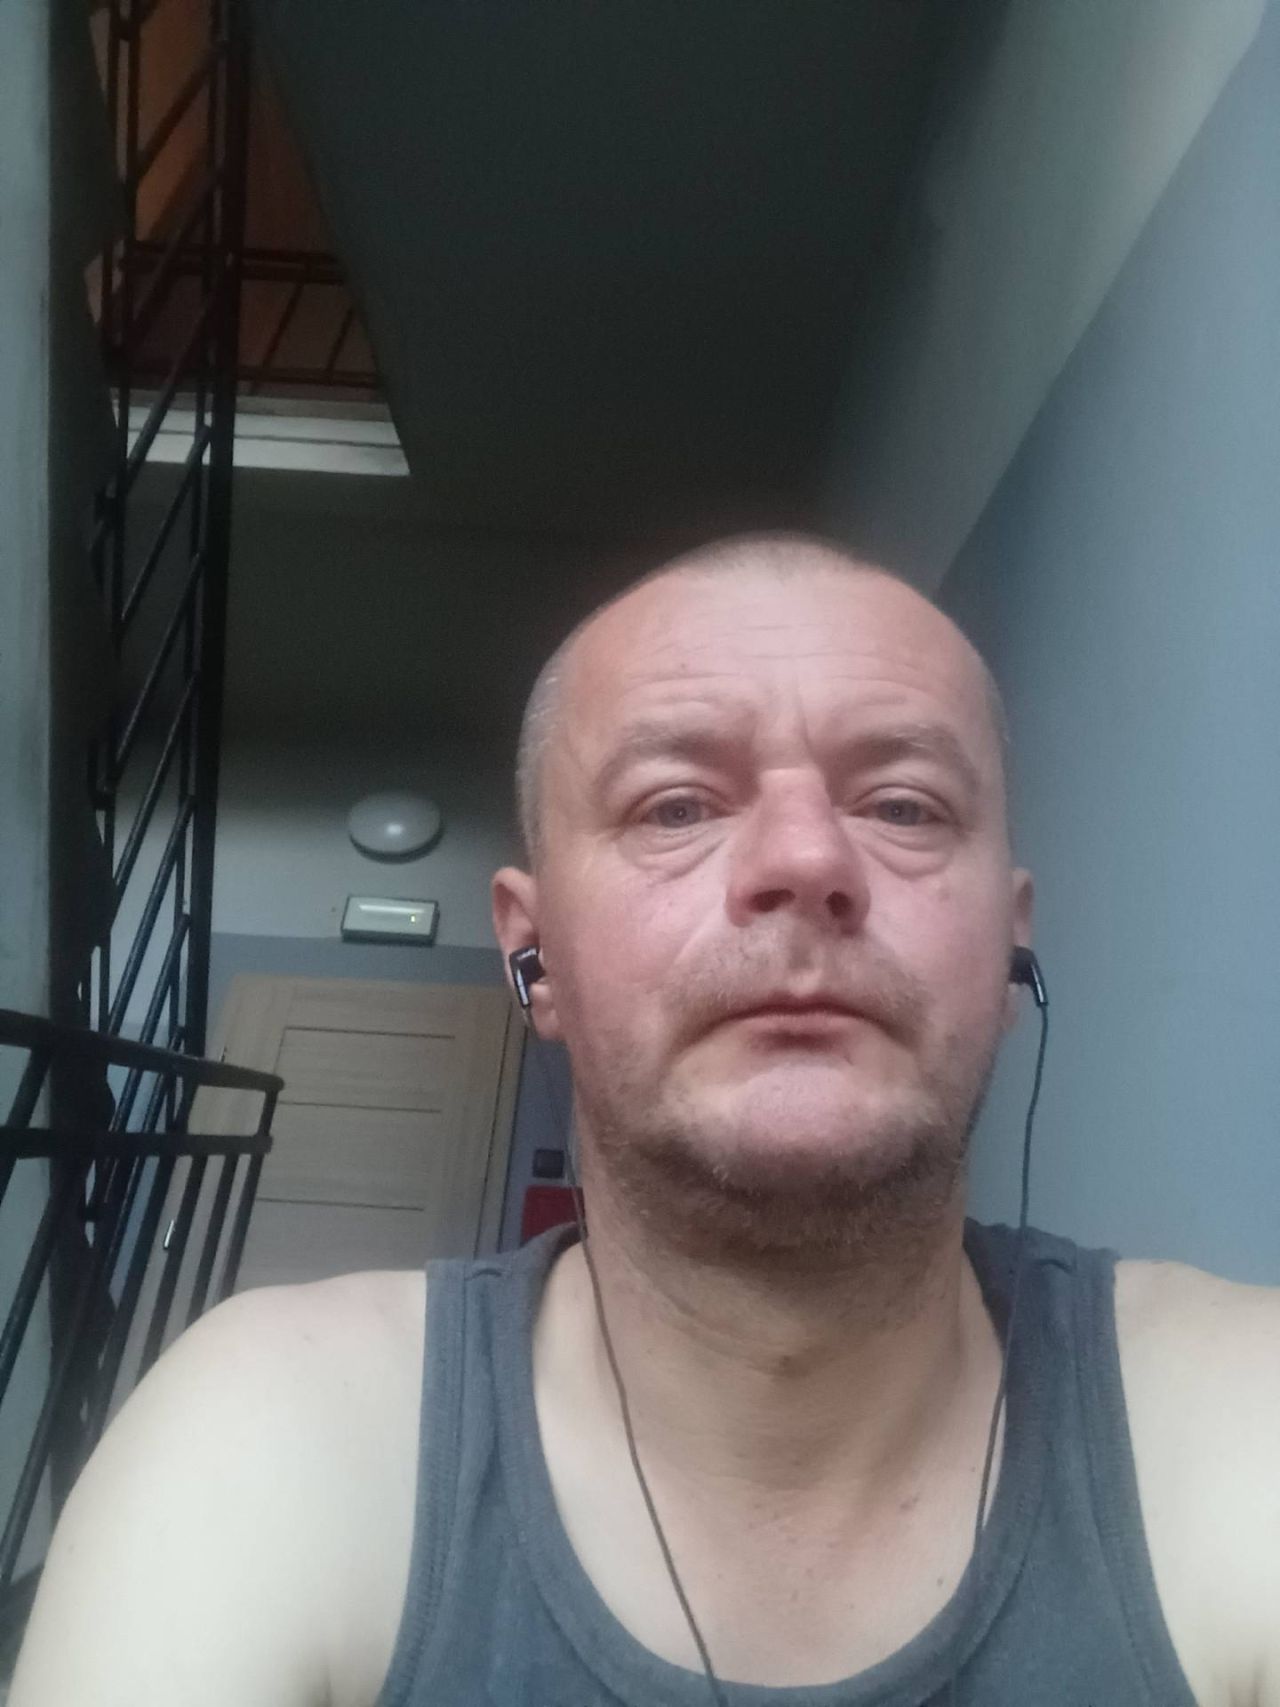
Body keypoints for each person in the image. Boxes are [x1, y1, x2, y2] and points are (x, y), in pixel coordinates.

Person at [11, 533, 1280, 1707]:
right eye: (675, 805)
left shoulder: (1235, 1414)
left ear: (1008, 943)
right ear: (534, 958)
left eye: (902, 806)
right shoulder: (273, 1437)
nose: (805, 861)